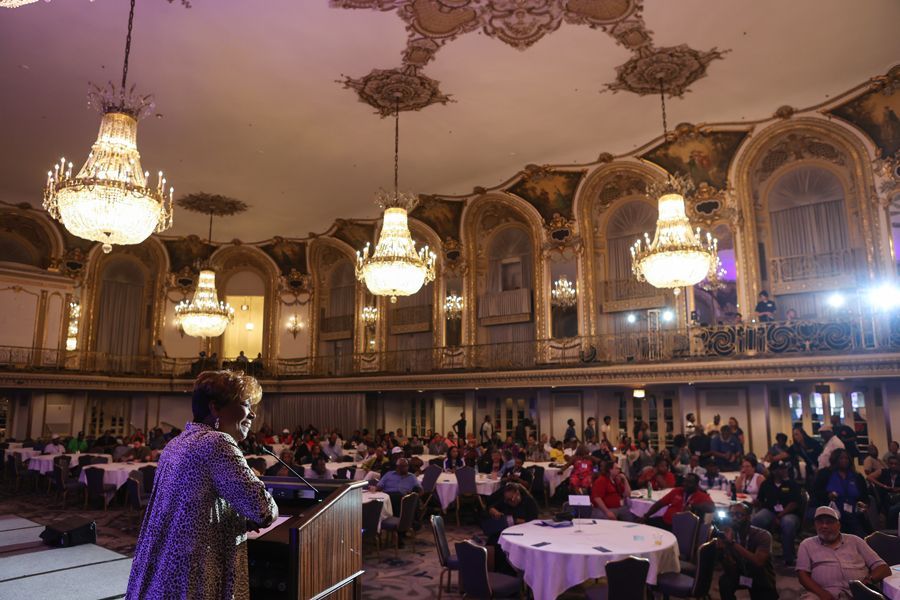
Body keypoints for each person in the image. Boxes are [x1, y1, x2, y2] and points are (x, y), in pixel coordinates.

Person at [126, 371, 278, 599]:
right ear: (215, 408)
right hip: (193, 576)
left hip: (163, 570)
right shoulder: (218, 442)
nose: (253, 414)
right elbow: (263, 510)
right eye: (246, 404)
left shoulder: (176, 443)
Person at [796, 506, 890, 600]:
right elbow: (802, 575)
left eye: (829, 522)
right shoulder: (807, 544)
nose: (824, 526)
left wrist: (867, 583)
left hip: (858, 593)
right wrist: (823, 594)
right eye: (820, 522)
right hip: (823, 592)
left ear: (838, 525)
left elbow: (883, 568)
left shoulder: (855, 541)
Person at [717, 502, 778, 600]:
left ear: (749, 517)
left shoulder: (763, 535)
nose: (734, 518)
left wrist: (732, 543)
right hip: (741, 573)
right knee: (725, 582)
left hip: (761, 576)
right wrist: (721, 552)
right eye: (731, 515)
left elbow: (758, 561)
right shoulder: (728, 534)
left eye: (739, 515)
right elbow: (729, 565)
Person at [751, 461, 803, 566]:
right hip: (770, 511)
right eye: (781, 469)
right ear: (774, 471)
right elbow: (760, 500)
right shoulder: (766, 484)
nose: (785, 471)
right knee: (756, 520)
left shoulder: (792, 484)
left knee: (787, 523)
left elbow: (794, 503)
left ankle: (789, 557)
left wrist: (780, 515)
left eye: (785, 468)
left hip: (789, 513)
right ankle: (756, 552)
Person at [813, 448, 870, 538]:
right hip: (832, 510)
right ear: (835, 459)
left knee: (857, 528)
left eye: (846, 458)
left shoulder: (857, 476)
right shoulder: (825, 474)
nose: (844, 461)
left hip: (854, 510)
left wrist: (863, 504)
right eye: (841, 458)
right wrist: (828, 495)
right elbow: (816, 492)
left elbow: (864, 496)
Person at [638, 473, 715, 530]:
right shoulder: (677, 491)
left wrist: (693, 506)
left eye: (689, 482)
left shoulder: (702, 495)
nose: (686, 484)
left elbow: (712, 507)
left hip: (683, 527)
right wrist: (646, 516)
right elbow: (660, 504)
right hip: (666, 522)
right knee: (643, 524)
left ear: (696, 485)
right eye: (685, 481)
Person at [873, 454, 900, 529]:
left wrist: (898, 489)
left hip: (898, 498)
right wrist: (882, 485)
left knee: (893, 510)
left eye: (895, 464)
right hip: (886, 498)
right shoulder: (883, 471)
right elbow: (870, 477)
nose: (893, 466)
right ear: (888, 464)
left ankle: (892, 530)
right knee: (887, 509)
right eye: (891, 463)